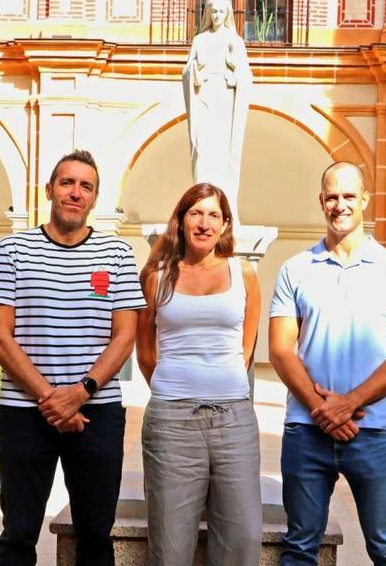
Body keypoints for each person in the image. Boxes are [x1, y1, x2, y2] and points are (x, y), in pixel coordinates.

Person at [0, 149, 145, 566]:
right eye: (67, 183)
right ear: (50, 189)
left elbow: (125, 336)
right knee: (18, 535)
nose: (75, 192)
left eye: (85, 186)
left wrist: (81, 391)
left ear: (95, 198)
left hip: (97, 413)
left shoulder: (116, 254)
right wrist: (52, 398)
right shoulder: (12, 249)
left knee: (95, 535)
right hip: (25, 411)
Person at [268, 162, 386, 565]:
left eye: (349, 196)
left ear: (364, 200)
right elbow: (281, 350)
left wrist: (348, 402)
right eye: (332, 196)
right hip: (307, 430)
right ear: (321, 201)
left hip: (374, 430)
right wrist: (323, 410)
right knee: (300, 547)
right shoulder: (295, 269)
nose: (340, 205)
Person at [136, 183, 262, 565]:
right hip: (172, 422)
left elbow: (247, 347)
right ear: (181, 219)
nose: (204, 223)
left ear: (225, 226)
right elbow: (145, 351)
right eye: (196, 213)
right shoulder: (157, 276)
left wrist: (219, 382)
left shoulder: (244, 274)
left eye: (213, 215)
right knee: (171, 544)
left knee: (243, 537)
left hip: (234, 420)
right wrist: (178, 388)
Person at [182, 0, 252, 224]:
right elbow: (187, 69)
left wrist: (235, 74)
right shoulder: (200, 40)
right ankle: (201, 199)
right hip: (203, 95)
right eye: (213, 11)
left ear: (228, 13)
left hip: (225, 98)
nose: (217, 15)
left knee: (223, 151)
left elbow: (244, 73)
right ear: (207, 13)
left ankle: (225, 202)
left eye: (221, 11)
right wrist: (193, 72)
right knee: (201, 149)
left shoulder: (235, 40)